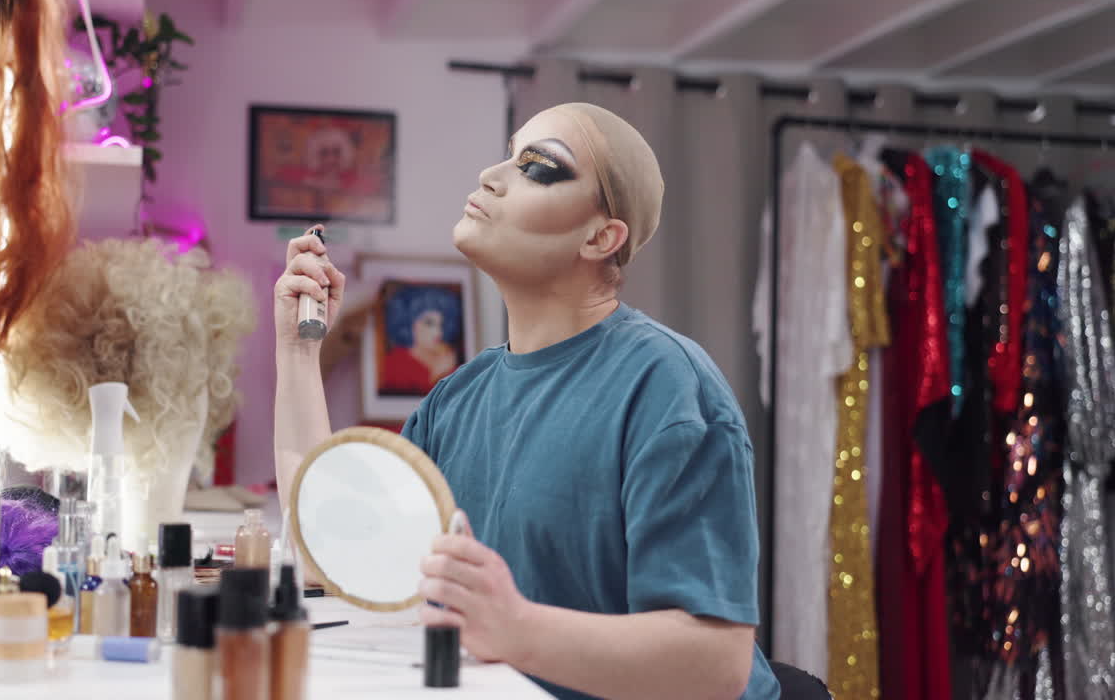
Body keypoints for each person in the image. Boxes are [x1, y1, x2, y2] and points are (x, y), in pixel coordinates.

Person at [273, 102, 779, 700]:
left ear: (600, 236)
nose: (491, 173)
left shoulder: (669, 387)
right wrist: (298, 352)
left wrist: (516, 629)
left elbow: (716, 663)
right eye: (508, 153)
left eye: (537, 165)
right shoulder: (457, 400)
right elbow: (328, 545)